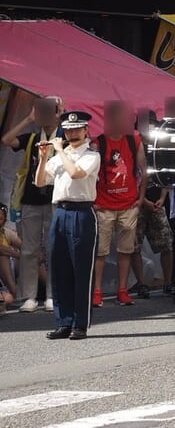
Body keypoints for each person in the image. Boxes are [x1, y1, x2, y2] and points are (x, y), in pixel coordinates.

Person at [33, 109, 100, 340]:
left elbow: (76, 174)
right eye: (68, 129)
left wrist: (60, 150)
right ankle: (64, 321)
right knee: (59, 268)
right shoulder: (59, 156)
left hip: (82, 213)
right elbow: (40, 181)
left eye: (76, 129)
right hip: (60, 212)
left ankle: (80, 323)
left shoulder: (91, 155)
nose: (72, 133)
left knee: (81, 270)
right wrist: (43, 159)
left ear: (85, 130)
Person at [4, 96, 60, 313]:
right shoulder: (32, 138)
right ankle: (29, 296)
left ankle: (52, 295)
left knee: (55, 248)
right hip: (30, 200)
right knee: (29, 250)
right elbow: (7, 140)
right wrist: (28, 119)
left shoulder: (63, 138)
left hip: (55, 200)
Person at [91, 101, 144, 308]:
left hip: (129, 204)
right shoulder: (99, 142)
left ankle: (122, 289)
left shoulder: (134, 140)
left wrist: (141, 198)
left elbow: (142, 169)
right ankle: (96, 291)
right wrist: (93, 200)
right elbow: (91, 173)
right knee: (101, 251)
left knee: (126, 250)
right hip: (103, 204)